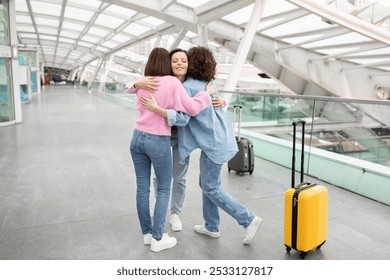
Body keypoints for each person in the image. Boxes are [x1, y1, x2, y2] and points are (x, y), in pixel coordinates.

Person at [143, 46, 262, 245]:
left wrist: (157, 109)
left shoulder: (188, 87)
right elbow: (210, 106)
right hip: (218, 140)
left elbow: (183, 117)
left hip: (212, 143)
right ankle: (211, 226)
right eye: (176, 61)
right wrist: (218, 100)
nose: (181, 63)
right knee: (207, 184)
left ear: (191, 63)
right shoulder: (207, 83)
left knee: (211, 187)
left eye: (185, 60)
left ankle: (248, 219)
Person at [128, 47, 214, 252]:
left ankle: (147, 235)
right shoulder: (172, 82)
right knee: (164, 188)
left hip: (137, 137)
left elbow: (130, 88)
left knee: (142, 188)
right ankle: (158, 237)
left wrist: (135, 83)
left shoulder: (143, 81)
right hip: (158, 140)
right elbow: (192, 108)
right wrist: (206, 95)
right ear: (166, 62)